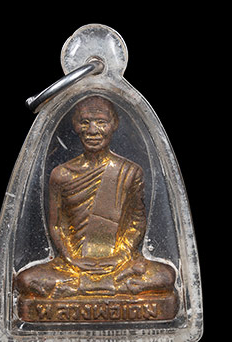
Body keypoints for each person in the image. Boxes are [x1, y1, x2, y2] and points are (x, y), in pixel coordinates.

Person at [15, 95, 176, 300]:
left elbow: (136, 222)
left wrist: (121, 256)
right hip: (73, 264)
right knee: (26, 280)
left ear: (113, 125)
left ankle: (76, 289)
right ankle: (118, 288)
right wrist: (71, 258)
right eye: (85, 122)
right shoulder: (61, 174)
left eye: (101, 122)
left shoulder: (129, 171)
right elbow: (56, 226)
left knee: (166, 276)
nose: (92, 130)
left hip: (119, 264)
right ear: (76, 126)